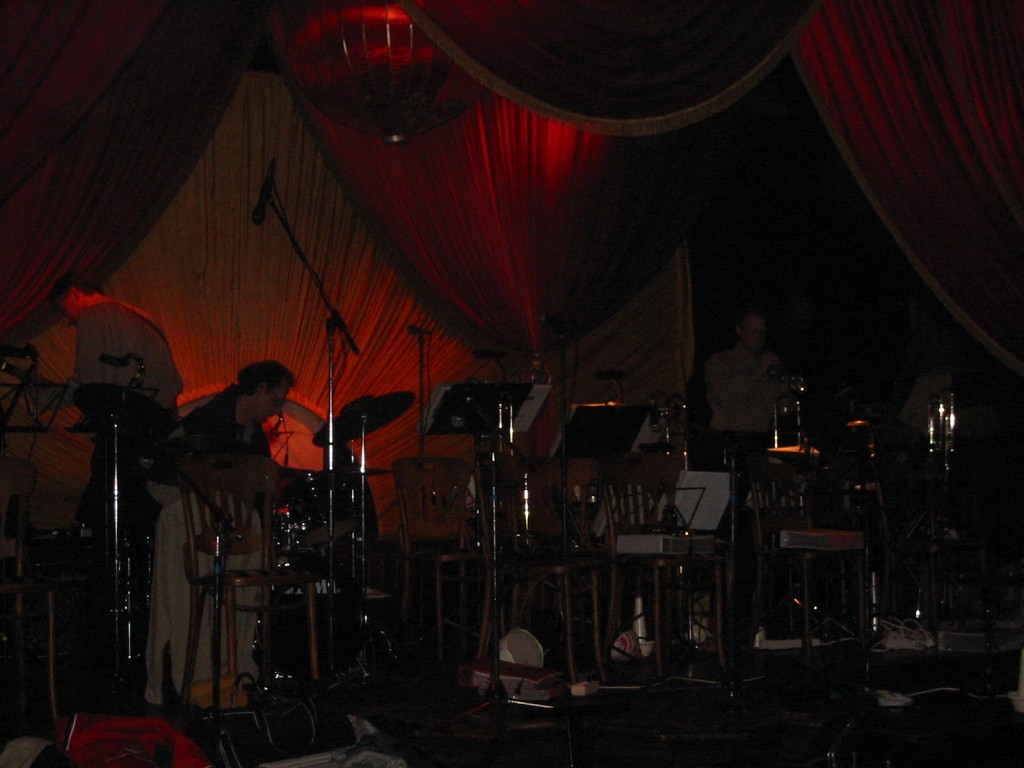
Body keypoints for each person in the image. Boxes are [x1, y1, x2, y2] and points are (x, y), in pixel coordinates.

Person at [144, 360, 295, 706]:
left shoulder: (254, 437)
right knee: (187, 603)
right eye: (276, 399)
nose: (278, 409)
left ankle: (234, 670)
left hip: (228, 527)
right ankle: (195, 677)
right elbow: (164, 478)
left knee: (241, 590)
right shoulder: (204, 423)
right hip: (186, 521)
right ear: (259, 389)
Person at [704, 304, 790, 444]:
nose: (759, 337)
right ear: (739, 330)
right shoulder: (720, 361)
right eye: (754, 331)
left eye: (762, 332)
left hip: (762, 439)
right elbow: (725, 395)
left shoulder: (770, 366)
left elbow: (784, 409)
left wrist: (785, 390)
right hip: (729, 438)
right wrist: (759, 371)